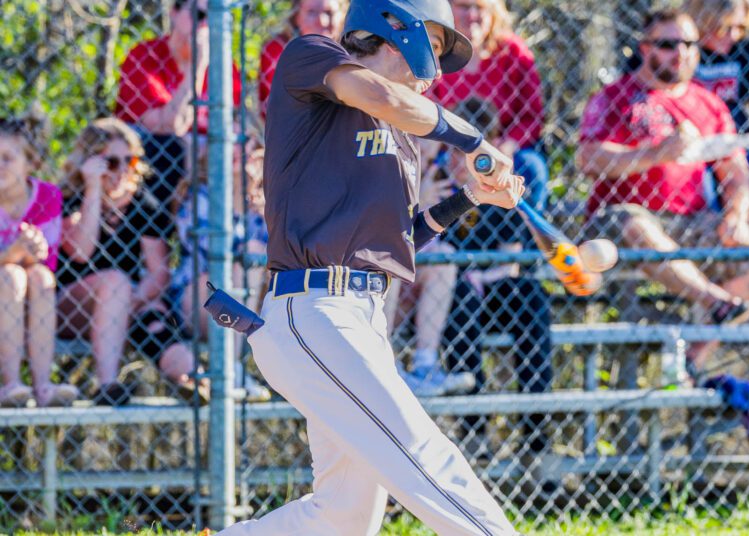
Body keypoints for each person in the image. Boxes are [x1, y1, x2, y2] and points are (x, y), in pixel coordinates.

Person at [216, 0, 526, 533]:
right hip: (314, 310)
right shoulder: (312, 56)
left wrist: (471, 196)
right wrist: (474, 140)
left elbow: (395, 242)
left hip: (362, 317)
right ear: (395, 29)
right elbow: (379, 95)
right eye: (433, 46)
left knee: (343, 516)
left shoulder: (403, 138)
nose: (436, 71)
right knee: (424, 457)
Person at [577, 9, 749, 374]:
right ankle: (716, 302)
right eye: (668, 44)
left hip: (689, 221)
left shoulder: (708, 103)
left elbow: (735, 172)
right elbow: (589, 158)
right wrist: (656, 154)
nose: (681, 53)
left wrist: (735, 216)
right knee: (633, 221)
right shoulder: (616, 97)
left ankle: (694, 357)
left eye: (689, 44)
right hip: (623, 222)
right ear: (645, 48)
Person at [441, 98, 554, 475]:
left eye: (466, 153)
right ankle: (474, 433)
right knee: (458, 297)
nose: (458, 162)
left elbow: (510, 262)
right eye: (451, 152)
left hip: (495, 289)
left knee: (531, 296)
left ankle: (536, 437)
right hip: (452, 299)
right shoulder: (435, 189)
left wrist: (478, 276)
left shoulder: (500, 193)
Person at [57, 118, 199, 406]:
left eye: (129, 161)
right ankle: (107, 385)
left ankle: (192, 378)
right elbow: (80, 252)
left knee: (155, 316)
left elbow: (159, 274)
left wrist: (129, 302)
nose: (122, 170)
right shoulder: (69, 198)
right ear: (91, 162)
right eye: (111, 162)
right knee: (115, 282)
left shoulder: (144, 205)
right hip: (71, 307)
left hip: (127, 305)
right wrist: (93, 190)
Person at [114, 0, 242, 217]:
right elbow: (168, 126)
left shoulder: (225, 66)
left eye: (215, 17)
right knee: (171, 147)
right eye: (199, 15)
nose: (205, 25)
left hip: (205, 157)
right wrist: (197, 66)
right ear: (174, 12)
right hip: (159, 158)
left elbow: (234, 124)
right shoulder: (145, 56)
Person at [172, 140, 271, 401]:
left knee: (254, 254)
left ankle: (239, 369)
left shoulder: (267, 204)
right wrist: (238, 201)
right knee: (245, 256)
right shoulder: (200, 196)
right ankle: (231, 370)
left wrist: (264, 211)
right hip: (197, 298)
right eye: (232, 142)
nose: (239, 151)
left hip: (251, 304)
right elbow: (214, 252)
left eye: (247, 145)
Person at [431, 0, 548, 213]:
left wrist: (506, 147)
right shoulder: (436, 51)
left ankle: (524, 233)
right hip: (449, 149)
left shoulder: (512, 52)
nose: (472, 15)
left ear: (494, 11)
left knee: (531, 167)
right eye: (464, 6)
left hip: (502, 145)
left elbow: (532, 116)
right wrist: (453, 152)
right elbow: (425, 110)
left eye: (480, 7)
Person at [0, 112, 78, 407]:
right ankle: (11, 384)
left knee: (41, 277)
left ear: (30, 163)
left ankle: (43, 385)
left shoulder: (47, 196)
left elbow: (48, 264)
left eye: (8, 158)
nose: (0, 165)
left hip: (30, 297)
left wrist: (27, 253)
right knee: (10, 275)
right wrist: (13, 253)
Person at [384, 148, 475, 397]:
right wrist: (417, 205)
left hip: (410, 300)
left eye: (430, 160)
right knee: (392, 260)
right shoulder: (384, 170)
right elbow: (385, 242)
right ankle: (385, 362)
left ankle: (425, 365)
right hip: (374, 293)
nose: (425, 165)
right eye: (420, 157)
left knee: (444, 257)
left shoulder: (436, 179)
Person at [258, 0, 346, 116]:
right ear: (296, 16)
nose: (322, 21)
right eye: (311, 12)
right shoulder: (278, 49)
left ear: (342, 15)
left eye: (329, 12)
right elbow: (273, 109)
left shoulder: (351, 49)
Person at [686, 0, 749, 132]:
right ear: (705, 22)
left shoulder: (743, 51)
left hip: (736, 131)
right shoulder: (678, 51)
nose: (734, 35)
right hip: (693, 130)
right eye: (725, 28)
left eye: (740, 27)